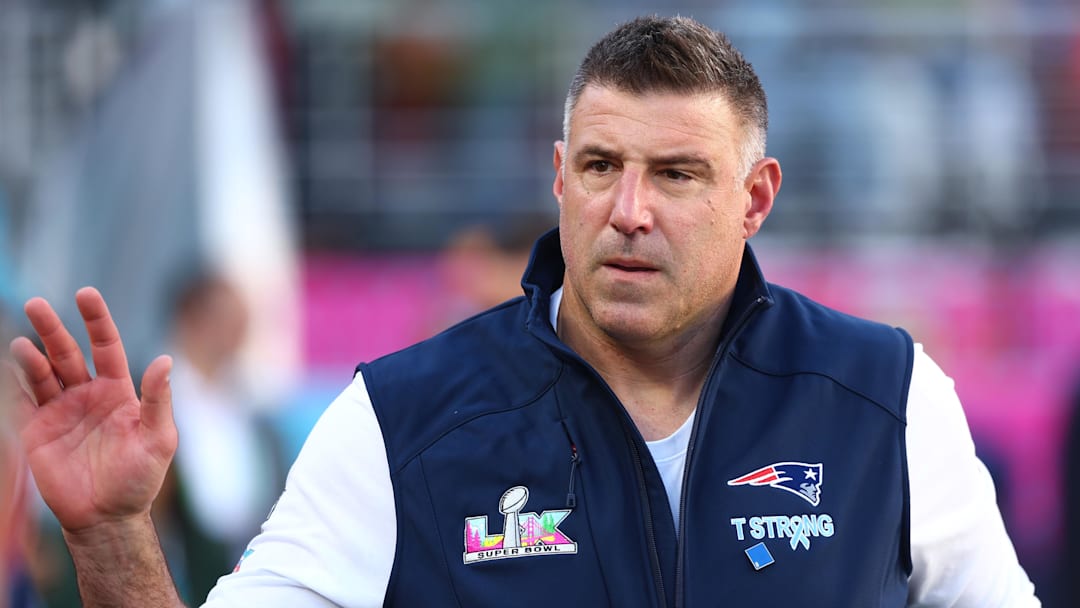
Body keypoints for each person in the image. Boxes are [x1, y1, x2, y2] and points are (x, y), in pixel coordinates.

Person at [8, 15, 1039, 607]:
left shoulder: (885, 397)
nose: (627, 211)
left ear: (755, 197)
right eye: (599, 166)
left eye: (676, 174)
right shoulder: (402, 421)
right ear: (558, 176)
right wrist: (111, 536)